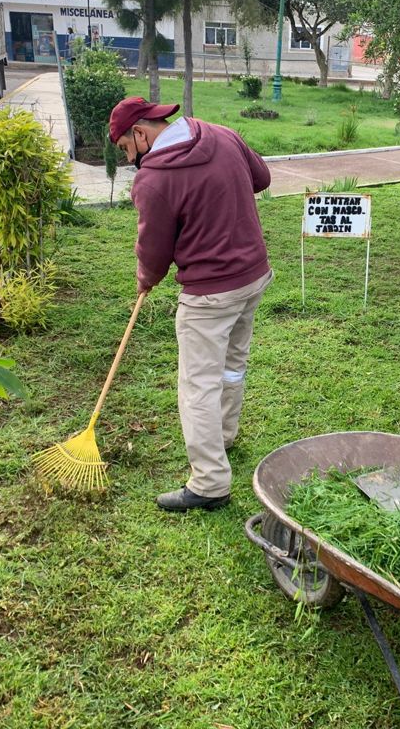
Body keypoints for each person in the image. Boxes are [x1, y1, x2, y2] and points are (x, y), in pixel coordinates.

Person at [109, 97, 273, 512]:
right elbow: (261, 177)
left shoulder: (154, 180)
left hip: (210, 295)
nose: (131, 158)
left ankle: (210, 483)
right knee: (232, 364)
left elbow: (154, 247)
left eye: (127, 148)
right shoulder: (220, 134)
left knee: (197, 384)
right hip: (253, 276)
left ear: (141, 134)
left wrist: (146, 278)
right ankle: (225, 433)